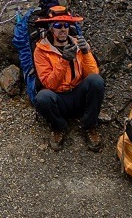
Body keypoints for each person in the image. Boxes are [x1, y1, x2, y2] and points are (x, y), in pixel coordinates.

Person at [29, 8, 106, 151]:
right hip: (58, 98)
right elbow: (49, 84)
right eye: (58, 26)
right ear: (51, 28)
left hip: (77, 94)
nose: (63, 29)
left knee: (96, 81)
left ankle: (90, 126)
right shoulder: (41, 50)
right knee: (43, 97)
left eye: (66, 25)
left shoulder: (77, 43)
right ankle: (59, 127)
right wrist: (64, 61)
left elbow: (93, 73)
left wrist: (86, 52)